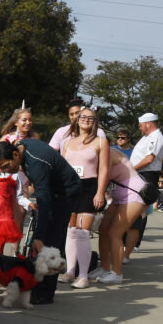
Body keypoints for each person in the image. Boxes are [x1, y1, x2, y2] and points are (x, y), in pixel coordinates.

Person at [0, 139, 81, 304]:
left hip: (66, 193)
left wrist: (39, 236)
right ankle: (36, 285)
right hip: (52, 191)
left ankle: (44, 293)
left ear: (15, 154)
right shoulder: (21, 147)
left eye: (6, 166)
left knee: (51, 241)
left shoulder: (36, 163)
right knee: (42, 240)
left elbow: (44, 201)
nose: (6, 171)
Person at [57, 107, 109, 288]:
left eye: (91, 118)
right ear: (76, 119)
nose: (86, 120)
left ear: (95, 122)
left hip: (90, 187)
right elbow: (61, 168)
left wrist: (100, 192)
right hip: (70, 188)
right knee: (70, 232)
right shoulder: (66, 143)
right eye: (83, 117)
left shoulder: (101, 142)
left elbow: (104, 170)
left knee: (83, 233)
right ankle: (70, 271)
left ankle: (84, 275)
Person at [90, 149, 147, 285]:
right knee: (103, 230)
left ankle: (116, 273)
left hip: (134, 194)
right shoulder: (98, 152)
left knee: (115, 233)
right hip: (118, 196)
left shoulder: (108, 153)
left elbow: (104, 176)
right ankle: (104, 268)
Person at [124, 112, 163, 260]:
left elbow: (149, 159)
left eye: (141, 125)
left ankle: (129, 249)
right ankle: (125, 247)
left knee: (137, 215)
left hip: (146, 176)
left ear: (148, 124)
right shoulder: (148, 137)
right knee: (131, 212)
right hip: (140, 174)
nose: (140, 128)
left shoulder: (156, 137)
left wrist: (132, 169)